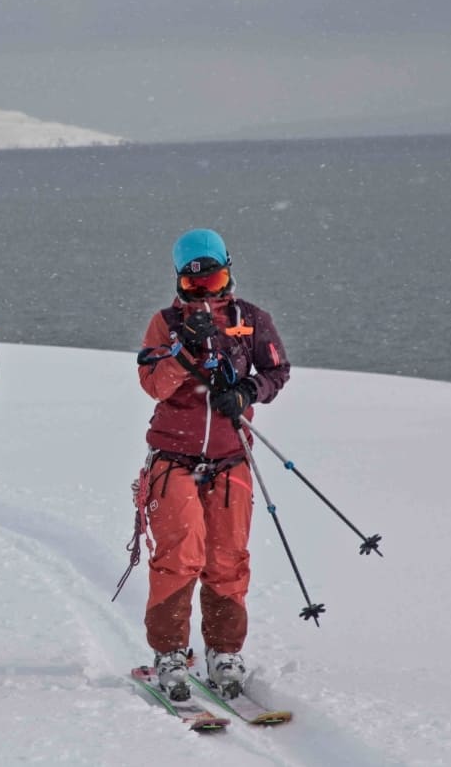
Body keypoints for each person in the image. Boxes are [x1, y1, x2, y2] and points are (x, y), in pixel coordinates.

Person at [132, 228, 290, 701]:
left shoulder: (252, 320)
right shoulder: (165, 324)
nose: (204, 290)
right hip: (173, 457)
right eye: (193, 283)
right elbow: (153, 384)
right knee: (179, 555)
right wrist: (185, 352)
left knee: (227, 558)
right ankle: (170, 653)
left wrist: (247, 391)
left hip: (230, 457)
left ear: (228, 271)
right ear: (179, 281)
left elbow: (277, 371)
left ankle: (223, 650)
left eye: (213, 278)